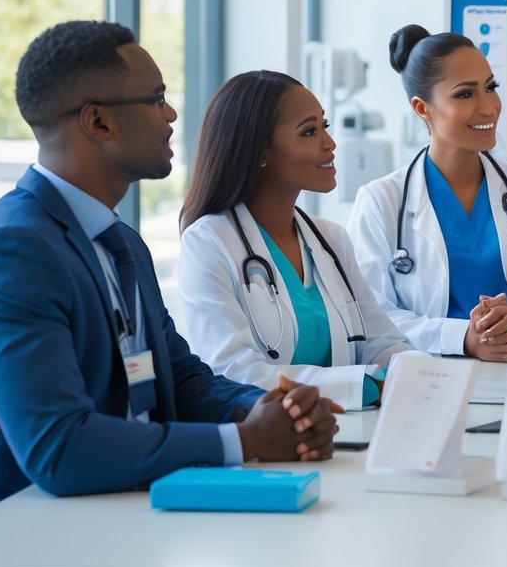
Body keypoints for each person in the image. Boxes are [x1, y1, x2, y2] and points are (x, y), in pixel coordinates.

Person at [0, 21, 338, 522]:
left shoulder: (120, 242)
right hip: (22, 535)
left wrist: (274, 408)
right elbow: (59, 447)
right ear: (99, 122)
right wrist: (247, 438)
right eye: (157, 98)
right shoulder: (11, 250)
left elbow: (181, 380)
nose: (172, 114)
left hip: (125, 510)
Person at [177, 72, 415, 410]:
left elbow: (382, 342)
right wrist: (360, 385)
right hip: (272, 439)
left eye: (325, 126)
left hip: (352, 433)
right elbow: (231, 371)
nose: (329, 143)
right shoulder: (208, 242)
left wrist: (420, 372)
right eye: (309, 131)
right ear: (259, 152)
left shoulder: (331, 239)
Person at [348, 25, 507, 360]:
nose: (489, 107)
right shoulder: (381, 202)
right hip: (427, 385)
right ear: (422, 108)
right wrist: (462, 339)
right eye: (465, 94)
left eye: (490, 87)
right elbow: (368, 321)